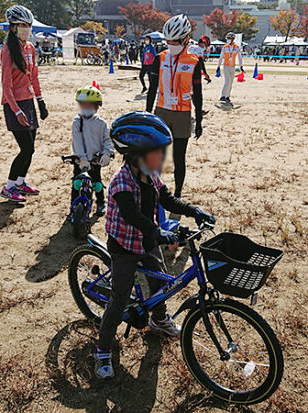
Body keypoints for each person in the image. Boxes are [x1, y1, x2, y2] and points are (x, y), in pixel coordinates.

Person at [93, 111, 216, 379]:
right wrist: (159, 232)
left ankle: (159, 320)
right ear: (136, 154)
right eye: (157, 153)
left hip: (147, 240)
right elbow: (131, 216)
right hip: (124, 245)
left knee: (161, 281)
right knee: (120, 297)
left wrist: (194, 210)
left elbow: (168, 199)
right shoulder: (122, 181)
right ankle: (102, 348)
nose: (161, 158)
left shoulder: (150, 175)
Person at [146, 14, 205, 198]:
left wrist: (199, 120)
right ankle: (154, 190)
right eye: (168, 41)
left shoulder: (194, 62)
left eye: (176, 41)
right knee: (156, 156)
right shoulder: (160, 58)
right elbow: (152, 89)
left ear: (186, 39)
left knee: (179, 157)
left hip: (183, 114)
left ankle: (177, 194)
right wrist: (147, 115)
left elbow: (198, 93)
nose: (172, 44)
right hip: (162, 112)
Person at [0, 5, 49, 202]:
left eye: (28, 25)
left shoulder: (30, 48)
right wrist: (16, 110)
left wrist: (41, 101)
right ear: (13, 27)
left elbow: (34, 76)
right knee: (26, 148)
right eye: (22, 25)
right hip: (14, 105)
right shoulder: (7, 51)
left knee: (32, 148)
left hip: (28, 102)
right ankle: (9, 186)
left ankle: (20, 181)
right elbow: (6, 85)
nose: (26, 28)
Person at [71, 85, 114, 217]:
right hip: (80, 160)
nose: (86, 108)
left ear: (96, 106)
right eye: (83, 105)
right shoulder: (77, 122)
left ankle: (100, 203)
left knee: (97, 182)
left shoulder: (101, 123)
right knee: (76, 184)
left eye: (89, 105)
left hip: (95, 159)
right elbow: (77, 141)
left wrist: (107, 153)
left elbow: (108, 139)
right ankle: (73, 208)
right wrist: (82, 158)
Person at [216, 32, 243, 103]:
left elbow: (240, 57)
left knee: (231, 82)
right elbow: (221, 57)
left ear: (232, 39)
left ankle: (227, 96)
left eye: (229, 38)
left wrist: (241, 66)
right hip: (226, 66)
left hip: (233, 67)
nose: (227, 40)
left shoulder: (237, 47)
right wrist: (218, 66)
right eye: (227, 38)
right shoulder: (225, 47)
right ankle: (223, 96)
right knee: (227, 81)